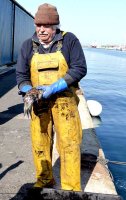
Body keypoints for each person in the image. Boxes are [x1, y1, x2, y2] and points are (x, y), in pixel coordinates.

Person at [16, 3, 87, 192]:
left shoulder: (69, 40)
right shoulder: (27, 46)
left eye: (46, 26)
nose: (41, 30)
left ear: (55, 25)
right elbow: (21, 76)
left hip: (65, 103)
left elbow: (79, 68)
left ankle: (71, 188)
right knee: (40, 142)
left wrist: (55, 87)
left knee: (70, 144)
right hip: (39, 103)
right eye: (38, 25)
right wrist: (29, 90)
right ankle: (44, 181)